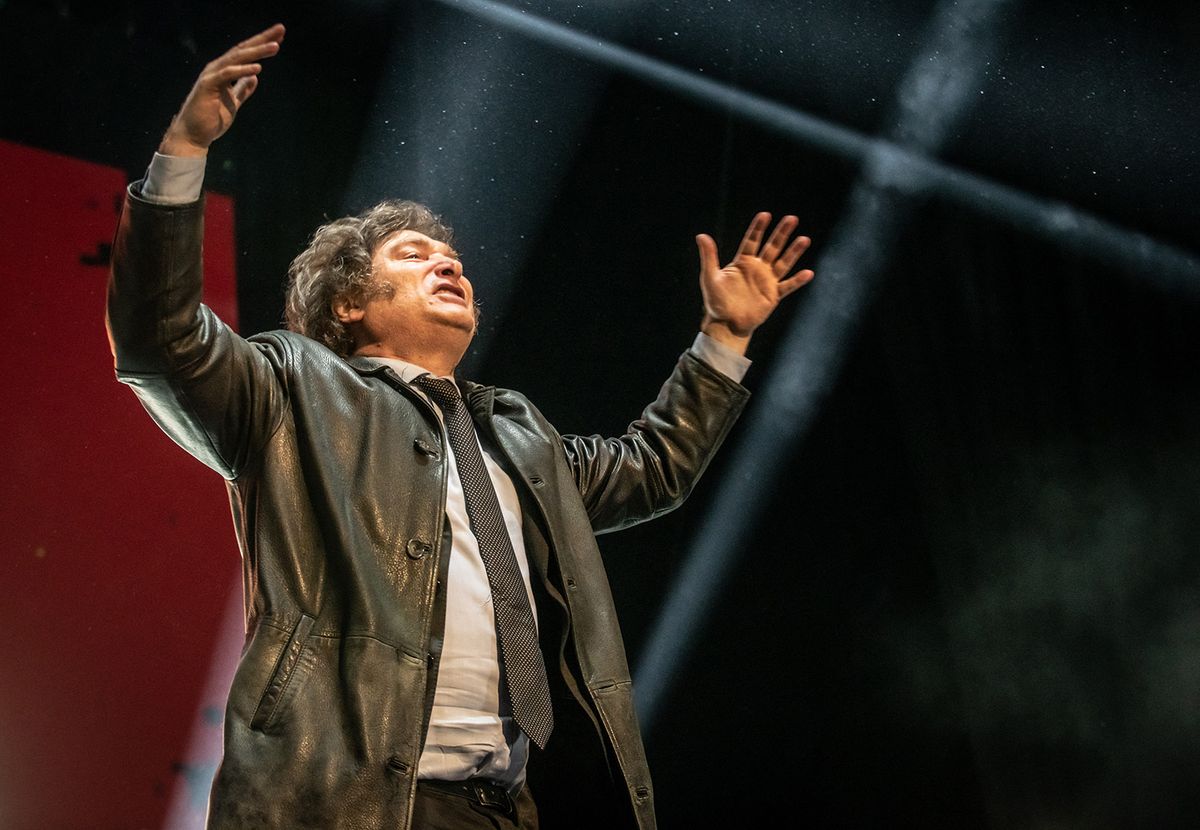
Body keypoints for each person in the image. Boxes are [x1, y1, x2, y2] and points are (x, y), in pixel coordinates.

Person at [106, 23, 814, 830]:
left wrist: (722, 341)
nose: (449, 263)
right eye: (413, 254)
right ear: (348, 303)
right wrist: (185, 151)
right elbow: (159, 341)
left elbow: (652, 468)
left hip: (501, 809)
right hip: (341, 806)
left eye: (455, 258)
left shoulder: (518, 437)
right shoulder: (292, 388)